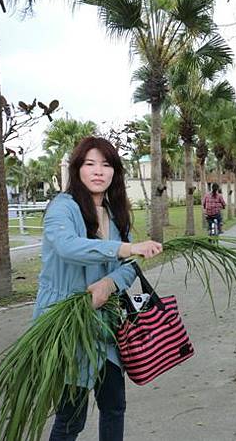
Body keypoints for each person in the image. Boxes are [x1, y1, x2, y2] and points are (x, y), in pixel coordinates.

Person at [33, 137, 163, 441]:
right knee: (71, 418)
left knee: (114, 406)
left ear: (115, 172)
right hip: (67, 323)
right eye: (89, 164)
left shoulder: (114, 211)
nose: (98, 171)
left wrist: (109, 282)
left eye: (106, 165)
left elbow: (130, 265)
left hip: (107, 326)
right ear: (77, 169)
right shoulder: (62, 208)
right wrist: (127, 248)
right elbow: (68, 247)